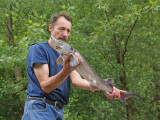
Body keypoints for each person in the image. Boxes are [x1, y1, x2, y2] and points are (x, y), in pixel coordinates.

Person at [21, 12, 126, 120]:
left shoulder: (67, 55)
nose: (65, 34)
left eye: (68, 31)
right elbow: (45, 86)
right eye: (61, 29)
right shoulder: (38, 49)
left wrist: (106, 87)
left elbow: (77, 81)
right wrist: (66, 70)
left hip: (58, 111)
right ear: (51, 28)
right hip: (39, 109)